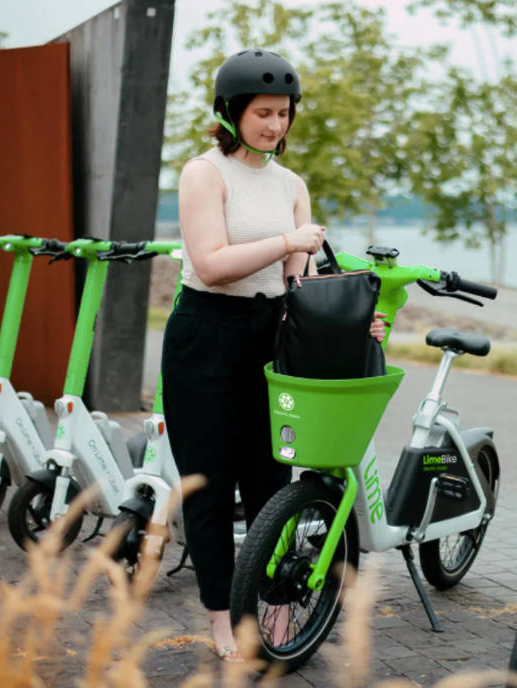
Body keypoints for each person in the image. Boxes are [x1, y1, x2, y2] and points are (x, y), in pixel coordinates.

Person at [161, 49, 384, 660]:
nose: (275, 126)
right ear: (231, 112)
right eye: (262, 113)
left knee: (272, 478)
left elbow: (300, 288)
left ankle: (278, 604)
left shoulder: (292, 185)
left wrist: (358, 321)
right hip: (205, 335)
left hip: (271, 335)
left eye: (284, 114)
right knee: (208, 484)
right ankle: (219, 615)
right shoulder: (203, 173)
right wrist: (286, 238)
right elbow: (209, 263)